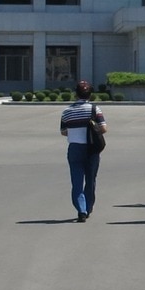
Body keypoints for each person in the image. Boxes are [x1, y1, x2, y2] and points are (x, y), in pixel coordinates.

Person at [60, 80, 106, 222]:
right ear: (90, 95)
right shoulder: (94, 109)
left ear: (75, 94)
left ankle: (81, 209)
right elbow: (103, 128)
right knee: (91, 178)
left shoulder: (67, 111)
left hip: (74, 148)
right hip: (91, 148)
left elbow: (63, 131)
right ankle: (88, 206)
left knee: (77, 180)